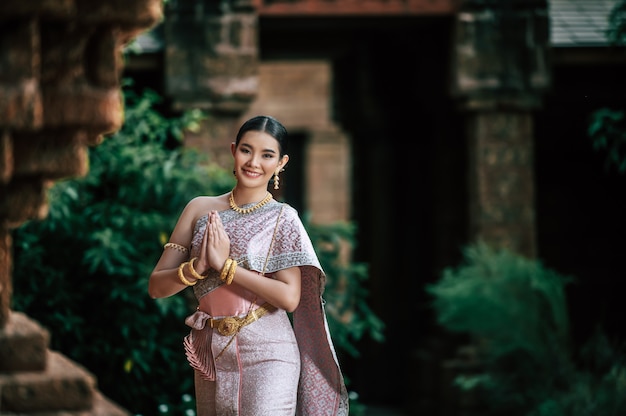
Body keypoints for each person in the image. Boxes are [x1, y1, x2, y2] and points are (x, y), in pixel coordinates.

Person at [148, 115, 349, 416]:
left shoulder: (283, 218)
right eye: (246, 150)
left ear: (281, 163)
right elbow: (156, 287)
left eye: (267, 155)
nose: (253, 162)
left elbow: (289, 297)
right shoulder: (199, 208)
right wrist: (198, 267)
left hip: (269, 351)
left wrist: (226, 266)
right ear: (233, 150)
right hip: (212, 352)